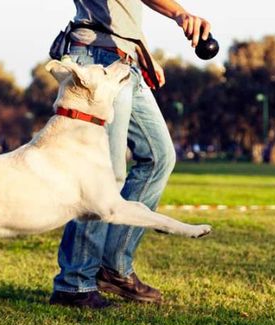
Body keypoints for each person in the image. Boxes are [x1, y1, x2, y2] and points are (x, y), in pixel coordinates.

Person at [49, 0, 212, 308]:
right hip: (97, 59)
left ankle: (113, 268)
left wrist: (142, 53)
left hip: (126, 62)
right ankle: (75, 283)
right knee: (105, 177)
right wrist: (180, 13)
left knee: (159, 157)